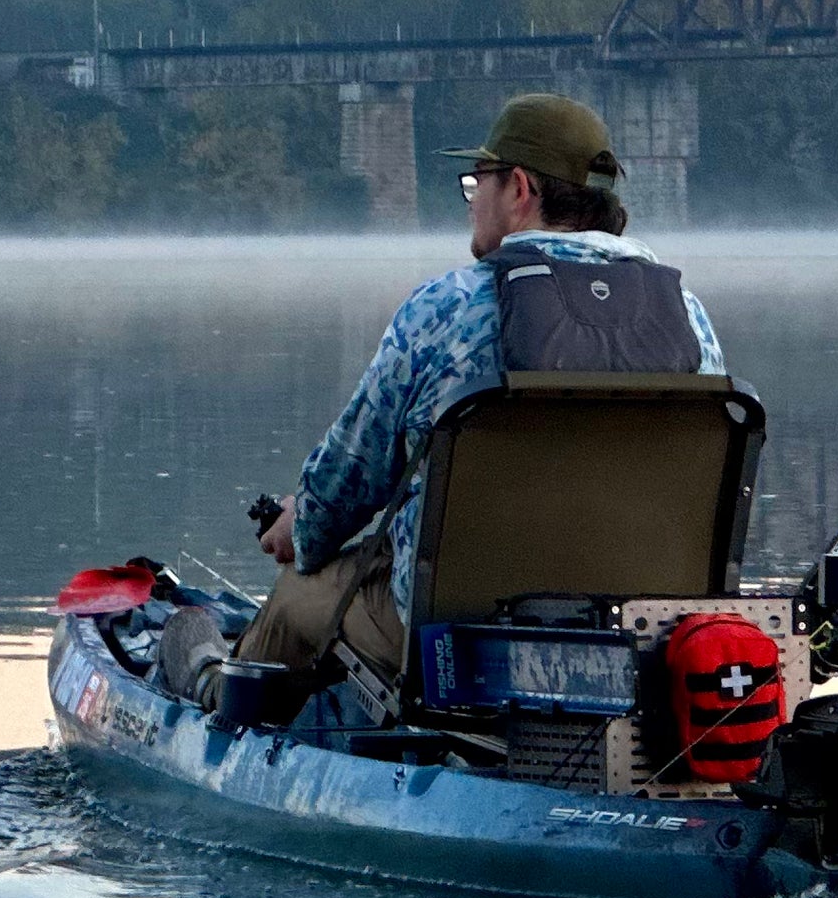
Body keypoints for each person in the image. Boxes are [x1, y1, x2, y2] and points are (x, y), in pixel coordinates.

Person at [235, 92, 723, 675]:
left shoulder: (445, 309)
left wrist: (302, 528)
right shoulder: (687, 317)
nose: (471, 203)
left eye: (476, 184)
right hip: (644, 641)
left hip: (459, 642)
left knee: (298, 593)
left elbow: (349, 478)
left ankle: (218, 714)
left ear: (519, 189)